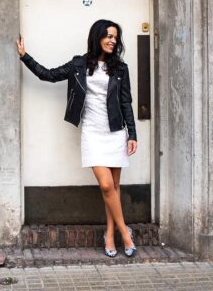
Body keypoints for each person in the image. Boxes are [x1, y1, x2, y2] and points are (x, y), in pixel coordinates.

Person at [17, 19, 138, 258]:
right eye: (109, 36)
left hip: (115, 132)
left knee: (113, 188)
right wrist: (25, 56)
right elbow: (49, 75)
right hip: (92, 132)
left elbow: (126, 101)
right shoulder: (78, 64)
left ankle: (110, 234)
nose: (113, 41)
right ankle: (125, 232)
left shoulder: (120, 68)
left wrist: (132, 134)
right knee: (106, 185)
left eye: (115, 37)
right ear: (97, 37)